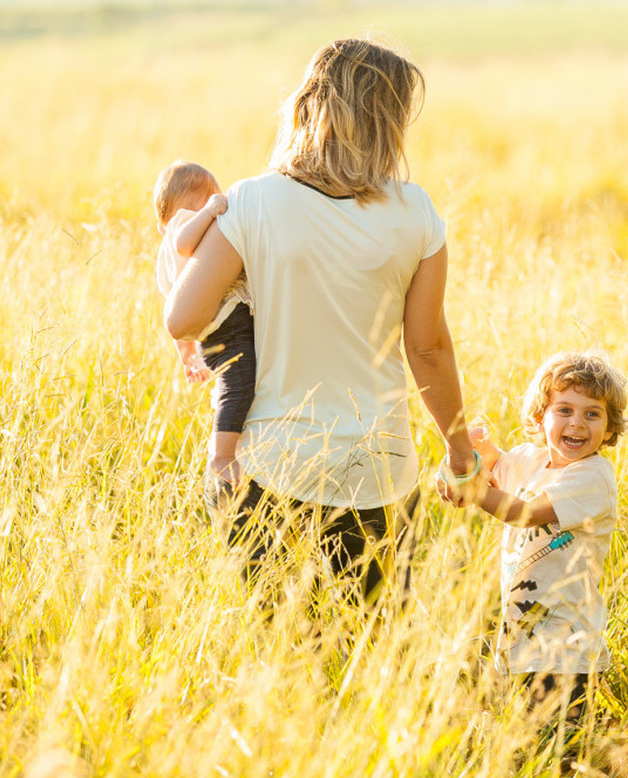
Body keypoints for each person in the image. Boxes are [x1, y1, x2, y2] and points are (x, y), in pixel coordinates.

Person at [163, 38, 477, 601]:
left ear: (309, 106)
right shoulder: (417, 213)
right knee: (371, 654)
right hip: (379, 474)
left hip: (267, 469)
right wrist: (460, 455)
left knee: (281, 661)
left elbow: (183, 319)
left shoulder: (252, 201)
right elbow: (427, 349)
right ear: (388, 121)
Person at [465, 352, 628, 730]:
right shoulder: (528, 460)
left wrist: (473, 492)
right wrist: (475, 458)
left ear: (609, 428)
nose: (577, 423)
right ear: (541, 417)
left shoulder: (593, 477)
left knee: (559, 751)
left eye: (592, 414)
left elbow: (522, 512)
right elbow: (493, 470)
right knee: (523, 741)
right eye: (565, 410)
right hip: (520, 637)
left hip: (565, 648)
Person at [153, 160, 255, 488]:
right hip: (226, 323)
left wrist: (187, 356)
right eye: (211, 196)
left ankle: (230, 445)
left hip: (210, 332)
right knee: (239, 383)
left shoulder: (163, 261)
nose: (219, 202)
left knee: (235, 383)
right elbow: (185, 240)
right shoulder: (184, 225)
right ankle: (222, 454)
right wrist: (210, 212)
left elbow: (176, 309)